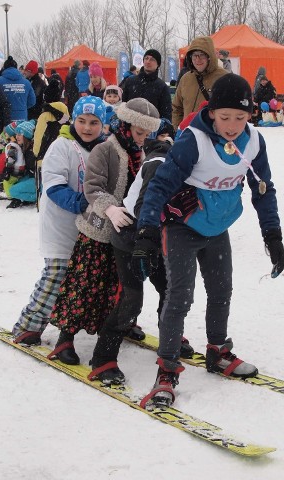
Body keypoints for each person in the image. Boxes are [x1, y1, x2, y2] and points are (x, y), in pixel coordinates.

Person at [131, 74, 284, 407]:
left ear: (251, 116)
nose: (232, 125)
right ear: (212, 112)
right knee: (180, 297)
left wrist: (272, 235)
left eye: (240, 118)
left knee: (221, 290)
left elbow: (264, 190)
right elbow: (158, 188)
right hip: (182, 227)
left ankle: (217, 351)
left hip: (217, 227)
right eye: (225, 116)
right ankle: (167, 369)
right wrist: (145, 232)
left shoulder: (254, 142)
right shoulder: (193, 141)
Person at [47, 98, 161, 366]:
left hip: (125, 234)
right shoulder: (105, 150)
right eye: (138, 132)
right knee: (84, 285)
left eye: (147, 134)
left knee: (116, 285)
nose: (143, 138)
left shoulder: (142, 154)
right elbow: (93, 187)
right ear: (125, 125)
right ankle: (66, 336)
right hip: (97, 231)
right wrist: (109, 208)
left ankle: (120, 323)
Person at [87, 119, 197, 385]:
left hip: (156, 237)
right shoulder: (159, 160)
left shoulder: (186, 163)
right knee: (131, 299)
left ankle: (168, 334)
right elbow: (143, 205)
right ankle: (103, 358)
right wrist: (145, 242)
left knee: (168, 290)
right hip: (131, 237)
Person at [11, 96, 107, 345]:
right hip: (60, 223)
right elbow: (54, 186)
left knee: (85, 275)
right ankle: (28, 325)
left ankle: (83, 319)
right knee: (56, 274)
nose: (87, 127)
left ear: (103, 124)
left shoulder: (102, 148)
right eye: (82, 121)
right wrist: (83, 203)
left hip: (88, 225)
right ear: (74, 120)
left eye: (94, 122)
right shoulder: (61, 146)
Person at [171, 36, 228, 128]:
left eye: (202, 55)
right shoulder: (185, 79)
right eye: (194, 55)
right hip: (187, 136)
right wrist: (178, 129)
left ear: (210, 56)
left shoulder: (224, 78)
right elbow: (177, 108)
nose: (197, 59)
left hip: (212, 137)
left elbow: (230, 112)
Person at [122, 49, 172, 121]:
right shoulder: (130, 81)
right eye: (146, 58)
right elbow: (123, 105)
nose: (148, 62)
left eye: (152, 59)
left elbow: (166, 114)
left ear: (158, 64)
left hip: (151, 128)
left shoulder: (162, 86)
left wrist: (164, 129)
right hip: (130, 126)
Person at [0, 56, 36, 122]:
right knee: (20, 132)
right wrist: (22, 107)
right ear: (16, 68)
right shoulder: (26, 82)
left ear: (4, 68)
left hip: (4, 118)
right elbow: (32, 101)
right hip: (22, 117)